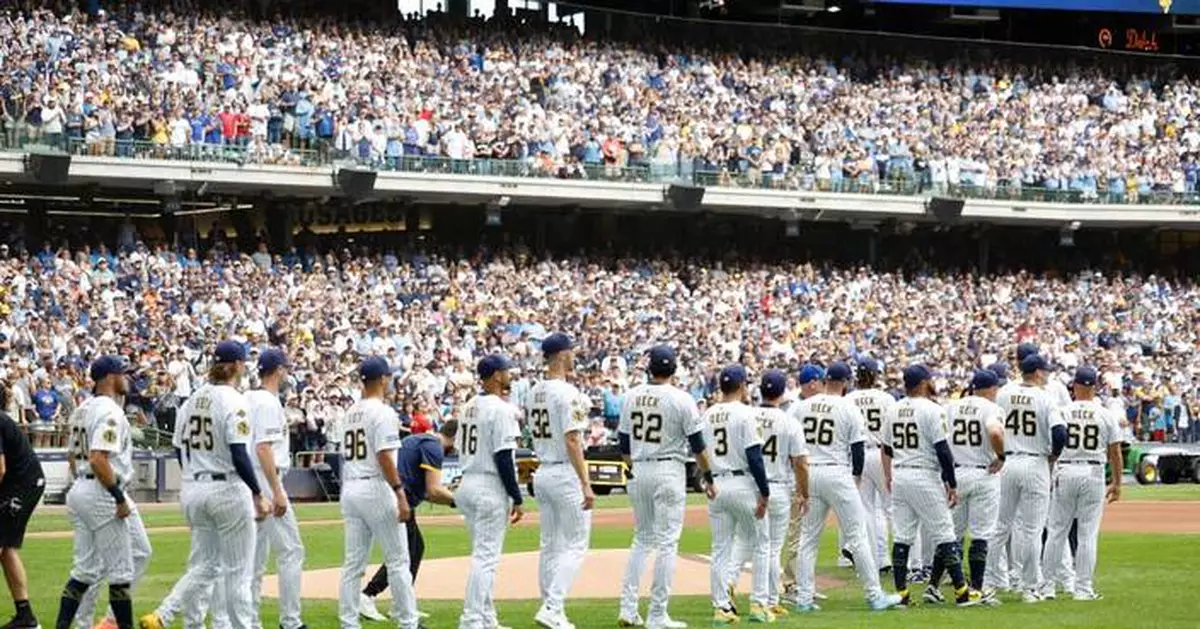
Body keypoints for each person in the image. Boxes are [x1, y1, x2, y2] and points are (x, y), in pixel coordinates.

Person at [788, 362, 900, 612]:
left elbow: (792, 448)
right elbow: (857, 449)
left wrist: (799, 480)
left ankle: (804, 598)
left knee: (808, 539)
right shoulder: (848, 407)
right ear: (847, 382)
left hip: (811, 471)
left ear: (825, 380)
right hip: (837, 470)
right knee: (857, 535)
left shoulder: (801, 407)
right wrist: (856, 477)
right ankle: (874, 594)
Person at [617, 345, 715, 629]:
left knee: (641, 539)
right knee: (667, 543)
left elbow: (623, 442)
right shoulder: (682, 399)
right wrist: (708, 476)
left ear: (650, 368)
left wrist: (632, 465)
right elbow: (698, 446)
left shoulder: (632, 395)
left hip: (639, 466)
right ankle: (657, 614)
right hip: (668, 468)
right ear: (673, 369)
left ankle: (628, 607)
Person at [54, 356, 152, 629]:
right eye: (123, 373)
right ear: (110, 377)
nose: (127, 379)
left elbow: (73, 457)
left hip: (82, 487)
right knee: (120, 572)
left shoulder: (82, 408)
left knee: (87, 568)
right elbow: (98, 458)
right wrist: (117, 498)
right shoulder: (110, 411)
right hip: (103, 489)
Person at [882, 364, 976, 608]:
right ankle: (961, 592)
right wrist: (951, 482)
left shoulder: (893, 409)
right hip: (924, 474)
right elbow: (942, 449)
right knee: (945, 532)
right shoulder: (933, 410)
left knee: (902, 536)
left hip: (901, 472)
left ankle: (902, 594)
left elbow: (888, 448)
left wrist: (889, 476)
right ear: (923, 382)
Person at [337, 356, 418, 629]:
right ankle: (408, 621)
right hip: (376, 485)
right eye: (389, 377)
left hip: (352, 485)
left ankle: (348, 622)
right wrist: (399, 492)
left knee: (353, 563)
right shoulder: (383, 412)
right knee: (398, 560)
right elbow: (384, 456)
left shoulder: (350, 412)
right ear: (382, 379)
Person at [526, 333, 595, 629]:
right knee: (577, 544)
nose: (574, 356)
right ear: (563, 355)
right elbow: (572, 439)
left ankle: (550, 606)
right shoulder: (569, 393)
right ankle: (553, 606)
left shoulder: (533, 391)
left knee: (550, 544)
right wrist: (586, 482)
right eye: (571, 352)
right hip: (565, 472)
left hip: (543, 469)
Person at [359, 420, 461, 620]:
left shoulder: (418, 439)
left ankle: (401, 604)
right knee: (403, 554)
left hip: (392, 496)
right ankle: (369, 595)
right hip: (397, 500)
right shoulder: (433, 447)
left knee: (414, 548)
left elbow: (427, 491)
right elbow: (433, 491)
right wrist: (459, 501)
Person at [986, 353, 1066, 603]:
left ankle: (988, 581)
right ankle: (1029, 587)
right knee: (1031, 530)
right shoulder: (1045, 397)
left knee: (999, 527)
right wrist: (1053, 455)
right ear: (1038, 372)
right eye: (1046, 371)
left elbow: (993, 427)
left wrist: (998, 454)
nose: (1048, 374)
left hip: (1008, 461)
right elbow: (1060, 432)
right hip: (1035, 462)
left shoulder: (1003, 393)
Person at [1039, 366, 1123, 602]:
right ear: (1094, 387)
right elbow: (1115, 451)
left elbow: (1050, 446)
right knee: (1087, 534)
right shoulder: (1105, 413)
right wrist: (1117, 483)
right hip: (1093, 470)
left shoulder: (1062, 412)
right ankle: (1083, 589)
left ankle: (1047, 587)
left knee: (1056, 531)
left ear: (1074, 386)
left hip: (1065, 468)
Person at [456, 354, 524, 629]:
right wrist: (517, 497)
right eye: (507, 371)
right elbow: (504, 458)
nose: (510, 374)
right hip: (488, 485)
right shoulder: (501, 408)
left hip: (468, 481)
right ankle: (471, 619)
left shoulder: (469, 405)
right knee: (486, 558)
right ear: (496, 375)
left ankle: (486, 618)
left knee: (482, 555)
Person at [702, 365, 771, 625]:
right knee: (762, 543)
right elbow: (754, 456)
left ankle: (721, 608)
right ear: (742, 386)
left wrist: (707, 479)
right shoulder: (746, 413)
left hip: (717, 484)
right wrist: (764, 492)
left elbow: (701, 450)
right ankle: (759, 604)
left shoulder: (707, 414)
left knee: (720, 548)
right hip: (742, 482)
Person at [934, 369, 1006, 605]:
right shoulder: (991, 408)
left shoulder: (951, 406)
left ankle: (941, 585)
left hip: (956, 472)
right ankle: (976, 587)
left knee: (952, 534)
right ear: (993, 388)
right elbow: (995, 431)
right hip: (983, 471)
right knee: (981, 534)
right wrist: (1002, 455)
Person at [246, 349, 307, 629]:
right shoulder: (269, 402)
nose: (288, 373)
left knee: (253, 560)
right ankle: (290, 622)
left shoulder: (246, 398)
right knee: (291, 551)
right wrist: (277, 490)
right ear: (278, 370)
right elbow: (263, 447)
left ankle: (249, 621)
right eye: (286, 368)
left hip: (247, 480)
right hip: (266, 479)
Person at [748, 369, 809, 617]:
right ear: (783, 392)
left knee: (757, 546)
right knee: (772, 548)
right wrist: (805, 492)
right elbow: (801, 462)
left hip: (752, 486)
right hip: (779, 486)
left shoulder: (748, 416)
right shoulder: (789, 421)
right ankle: (765, 599)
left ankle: (767, 598)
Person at [778, 364, 825, 604]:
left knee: (808, 533)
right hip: (798, 474)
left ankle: (803, 582)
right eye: (821, 381)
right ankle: (791, 584)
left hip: (808, 473)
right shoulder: (796, 409)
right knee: (799, 532)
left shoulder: (798, 409)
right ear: (813, 382)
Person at [844, 359, 894, 574]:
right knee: (891, 508)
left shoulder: (848, 399)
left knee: (866, 510)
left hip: (858, 453)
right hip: (882, 452)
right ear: (876, 375)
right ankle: (901, 561)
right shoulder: (887, 398)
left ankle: (876, 559)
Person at [0, 404, 45, 629]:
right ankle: (25, 616)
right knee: (6, 549)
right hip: (20, 484)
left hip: (22, 485)